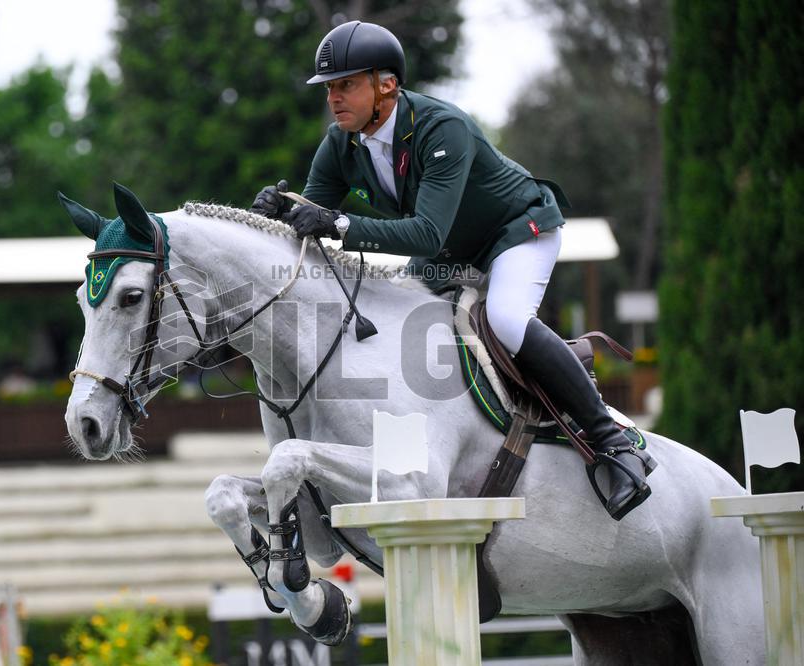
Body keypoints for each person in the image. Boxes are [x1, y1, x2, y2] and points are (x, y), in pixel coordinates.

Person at [249, 20, 655, 520]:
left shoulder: (443, 128)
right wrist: (277, 215)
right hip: (449, 250)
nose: (334, 98)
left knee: (505, 320)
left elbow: (425, 234)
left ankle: (612, 442)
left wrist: (337, 222)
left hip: (515, 231)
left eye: (347, 84)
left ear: (387, 84)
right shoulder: (341, 145)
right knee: (394, 317)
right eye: (330, 87)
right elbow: (312, 222)